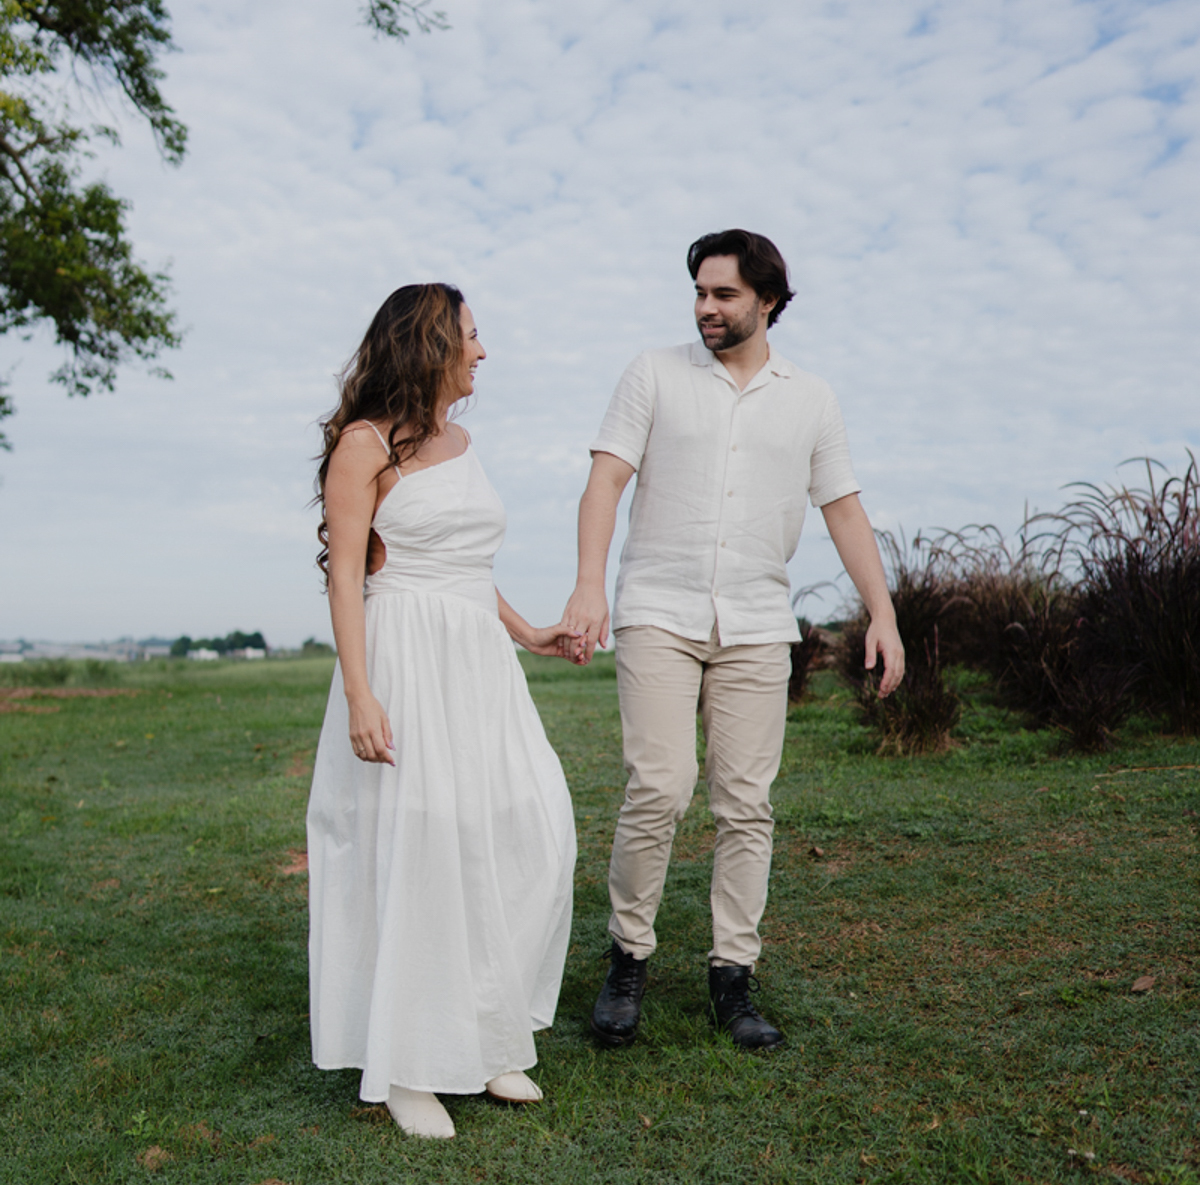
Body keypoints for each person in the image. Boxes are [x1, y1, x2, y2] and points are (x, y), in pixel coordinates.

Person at [563, 230, 904, 1051]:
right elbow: (606, 478)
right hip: (658, 611)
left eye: (723, 295)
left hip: (757, 622)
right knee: (661, 785)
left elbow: (844, 510)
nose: (705, 308)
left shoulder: (811, 398)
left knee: (746, 803)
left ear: (768, 302)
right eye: (699, 293)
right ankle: (627, 960)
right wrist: (586, 583)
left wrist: (883, 614)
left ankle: (732, 977)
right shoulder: (653, 373)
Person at [307, 283, 579, 1139]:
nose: (483, 351)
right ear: (430, 345)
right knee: (419, 844)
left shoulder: (463, 441)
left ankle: (489, 1028)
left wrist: (529, 631)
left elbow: (464, 566)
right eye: (472, 334)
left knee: (530, 828)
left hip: (479, 665)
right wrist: (360, 691)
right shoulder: (363, 446)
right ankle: (408, 1062)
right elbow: (348, 575)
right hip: (403, 658)